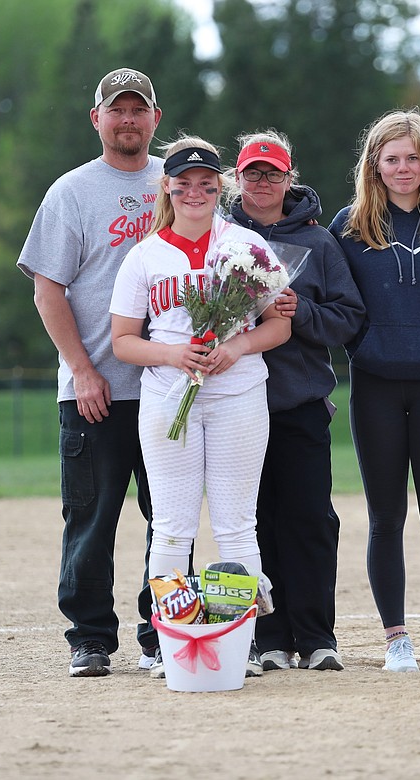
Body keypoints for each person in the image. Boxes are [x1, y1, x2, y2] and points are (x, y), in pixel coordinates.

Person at [110, 136, 292, 678]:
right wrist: (174, 353)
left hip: (237, 396)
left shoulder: (246, 246)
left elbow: (278, 324)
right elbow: (122, 340)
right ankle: (173, 647)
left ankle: (241, 646)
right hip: (169, 396)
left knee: (237, 526)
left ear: (221, 188)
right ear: (167, 187)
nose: (195, 192)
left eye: (206, 185)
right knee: (171, 527)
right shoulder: (144, 255)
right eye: (183, 183)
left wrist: (235, 346)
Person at [18, 67, 171, 678]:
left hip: (169, 387)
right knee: (92, 516)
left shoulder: (179, 182)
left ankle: (162, 629)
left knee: (171, 517)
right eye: (118, 110)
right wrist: (81, 369)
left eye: (139, 109)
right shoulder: (72, 192)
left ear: (155, 118)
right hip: (96, 390)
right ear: (97, 119)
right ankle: (89, 638)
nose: (128, 119)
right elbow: (47, 290)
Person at [327, 109, 420, 674]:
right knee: (385, 516)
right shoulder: (350, 225)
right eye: (391, 158)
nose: (403, 168)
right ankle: (397, 640)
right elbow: (336, 301)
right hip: (376, 386)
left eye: (413, 157)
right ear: (375, 165)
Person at [228, 130, 365, 672]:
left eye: (273, 173)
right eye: (252, 173)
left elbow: (349, 319)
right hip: (236, 402)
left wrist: (298, 311)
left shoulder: (318, 244)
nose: (262, 182)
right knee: (253, 521)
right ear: (236, 179)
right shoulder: (219, 236)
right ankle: (268, 639)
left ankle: (316, 637)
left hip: (299, 404)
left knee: (309, 519)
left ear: (290, 178)